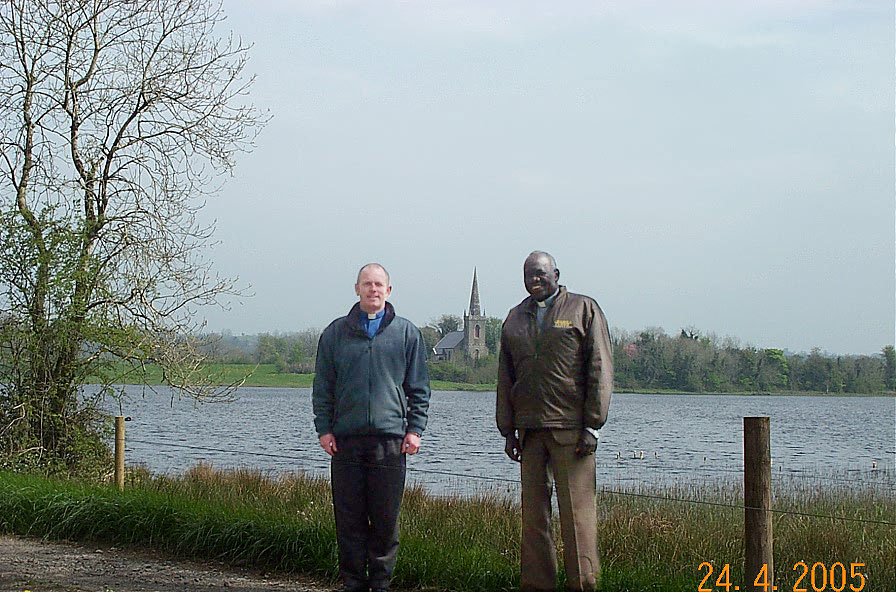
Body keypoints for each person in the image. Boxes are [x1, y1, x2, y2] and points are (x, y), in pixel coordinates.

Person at [496, 251, 613, 592]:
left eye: (541, 273)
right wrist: (508, 430)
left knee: (578, 519)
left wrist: (593, 425)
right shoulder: (514, 319)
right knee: (534, 521)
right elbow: (505, 376)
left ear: (557, 274)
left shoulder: (583, 309)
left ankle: (584, 586)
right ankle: (536, 586)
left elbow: (600, 369)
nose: (535, 279)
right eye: (529, 274)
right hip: (529, 433)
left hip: (572, 433)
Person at [312, 263, 431, 592]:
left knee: (384, 519)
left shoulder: (407, 334)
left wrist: (415, 430)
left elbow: (419, 388)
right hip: (346, 442)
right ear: (357, 289)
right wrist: (324, 429)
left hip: (390, 442)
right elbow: (323, 387)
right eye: (367, 284)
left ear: (388, 291)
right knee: (348, 518)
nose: (373, 289)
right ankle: (352, 582)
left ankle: (380, 583)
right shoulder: (335, 333)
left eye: (379, 284)